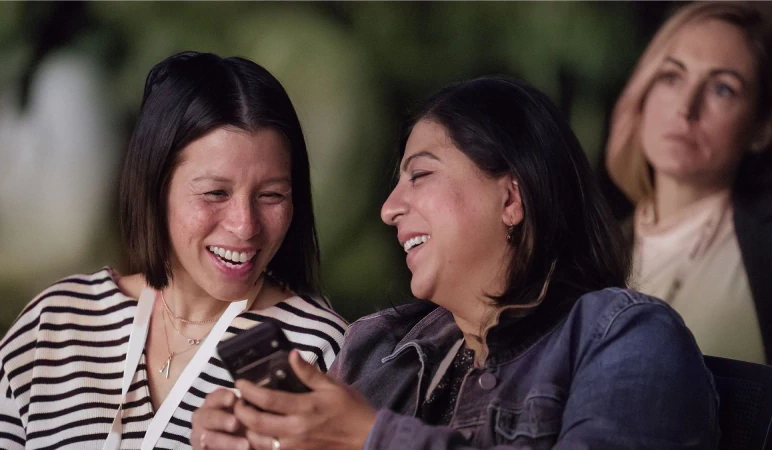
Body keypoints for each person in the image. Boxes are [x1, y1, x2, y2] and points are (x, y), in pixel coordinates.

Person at [190, 76, 719, 450]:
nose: (389, 208)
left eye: (420, 175)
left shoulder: (624, 336)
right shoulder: (376, 349)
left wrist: (370, 437)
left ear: (511, 198)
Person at [0, 51, 347, 449]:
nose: (245, 225)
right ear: (155, 188)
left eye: (271, 195)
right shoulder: (53, 326)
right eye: (215, 193)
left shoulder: (318, 351)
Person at [606, 2, 772, 364]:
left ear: (761, 127)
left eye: (722, 89)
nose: (686, 107)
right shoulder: (594, 256)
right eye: (671, 77)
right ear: (643, 93)